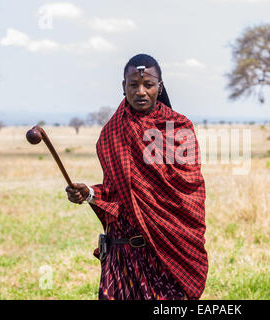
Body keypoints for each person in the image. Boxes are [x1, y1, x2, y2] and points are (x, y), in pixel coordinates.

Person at [65, 53, 208, 300]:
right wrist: (88, 193)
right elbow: (115, 192)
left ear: (159, 87)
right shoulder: (112, 131)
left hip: (165, 251)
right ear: (124, 87)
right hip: (122, 254)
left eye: (148, 85)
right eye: (134, 85)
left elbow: (188, 193)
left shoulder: (179, 128)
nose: (140, 91)